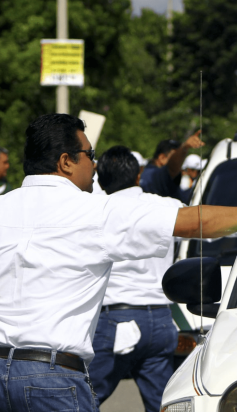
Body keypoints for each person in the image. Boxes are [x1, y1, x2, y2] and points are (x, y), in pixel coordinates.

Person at [0, 114, 237, 412]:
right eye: (90, 153)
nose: (95, 164)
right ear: (66, 162)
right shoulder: (96, 212)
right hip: (50, 378)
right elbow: (196, 221)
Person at [89, 145, 182, 411]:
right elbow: (211, 230)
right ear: (139, 175)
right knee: (165, 405)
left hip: (115, 320)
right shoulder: (168, 206)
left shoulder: (95, 211)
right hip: (163, 322)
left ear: (100, 179)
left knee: (79, 400)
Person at [139, 132, 203, 199]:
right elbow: (172, 168)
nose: (179, 162)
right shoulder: (156, 176)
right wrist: (184, 147)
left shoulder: (141, 172)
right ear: (162, 158)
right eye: (173, 156)